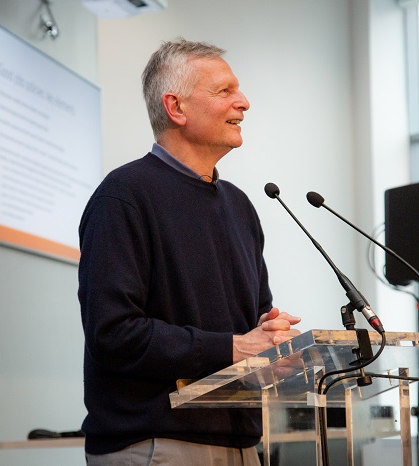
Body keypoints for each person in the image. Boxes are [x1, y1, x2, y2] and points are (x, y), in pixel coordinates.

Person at [78, 38, 302, 465]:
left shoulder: (239, 206)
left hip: (241, 445)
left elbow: (253, 325)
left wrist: (271, 349)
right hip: (157, 445)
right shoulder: (124, 197)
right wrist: (235, 349)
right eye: (224, 91)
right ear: (176, 108)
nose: (245, 102)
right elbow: (113, 335)